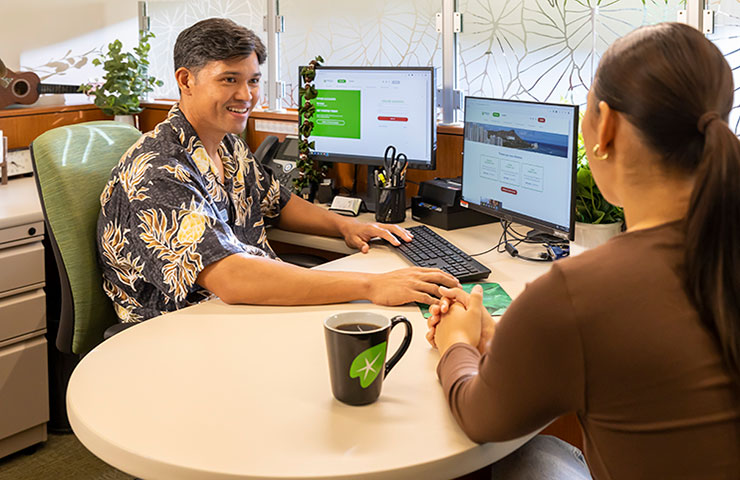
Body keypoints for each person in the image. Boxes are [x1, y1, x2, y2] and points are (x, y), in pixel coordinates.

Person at [426, 22, 740, 479]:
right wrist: (503, 342)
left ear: (605, 126)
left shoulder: (576, 293)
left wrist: (455, 340)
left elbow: (479, 417)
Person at [96, 18, 458, 322]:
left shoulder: (226, 144)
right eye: (229, 79)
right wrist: (371, 285)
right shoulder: (158, 169)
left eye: (253, 80)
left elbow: (278, 201)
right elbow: (231, 278)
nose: (246, 95)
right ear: (186, 80)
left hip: (239, 308)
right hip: (178, 327)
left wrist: (346, 225)